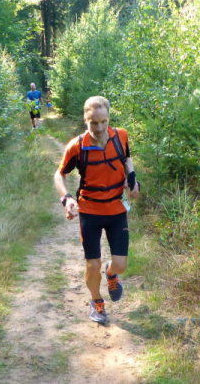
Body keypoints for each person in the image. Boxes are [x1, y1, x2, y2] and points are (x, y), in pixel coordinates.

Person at [54, 96, 140, 323]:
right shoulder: (77, 146)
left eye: (103, 122)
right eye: (94, 122)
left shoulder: (121, 136)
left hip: (116, 210)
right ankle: (96, 301)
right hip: (90, 211)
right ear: (85, 119)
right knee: (93, 264)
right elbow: (59, 174)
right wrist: (67, 199)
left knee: (120, 265)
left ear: (109, 118)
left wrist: (132, 178)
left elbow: (126, 158)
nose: (99, 128)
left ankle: (111, 274)